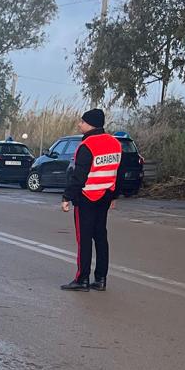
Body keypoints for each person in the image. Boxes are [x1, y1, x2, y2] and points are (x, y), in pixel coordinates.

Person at [61, 109, 122, 292]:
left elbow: (79, 176)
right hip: (105, 196)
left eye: (82, 121)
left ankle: (82, 279)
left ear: (90, 124)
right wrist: (114, 196)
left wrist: (67, 197)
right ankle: (101, 279)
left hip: (86, 197)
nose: (80, 124)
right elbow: (116, 173)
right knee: (101, 237)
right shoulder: (115, 143)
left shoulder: (87, 145)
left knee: (84, 239)